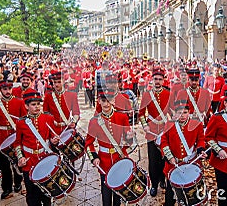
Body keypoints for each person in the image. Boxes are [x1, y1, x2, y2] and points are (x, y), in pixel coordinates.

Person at [85, 89, 134, 206]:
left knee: (118, 194)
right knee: (106, 195)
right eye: (103, 100)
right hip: (104, 162)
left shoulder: (122, 117)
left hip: (119, 159)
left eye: (109, 100)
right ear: (98, 101)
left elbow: (128, 143)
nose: (106, 104)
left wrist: (129, 137)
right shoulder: (94, 121)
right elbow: (88, 143)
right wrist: (94, 157)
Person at [14, 91, 59, 206]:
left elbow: (52, 136)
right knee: (32, 194)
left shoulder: (48, 118)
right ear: (26, 106)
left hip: (45, 160)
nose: (37, 107)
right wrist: (20, 157)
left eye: (38, 104)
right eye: (33, 104)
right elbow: (17, 143)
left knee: (46, 192)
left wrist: (54, 140)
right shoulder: (21, 123)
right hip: (29, 162)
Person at [160, 100, 206, 206]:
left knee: (192, 193)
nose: (182, 115)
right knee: (170, 194)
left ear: (189, 112)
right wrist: (169, 156)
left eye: (185, 112)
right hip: (173, 163)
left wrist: (200, 150)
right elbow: (164, 141)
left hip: (191, 162)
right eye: (179, 113)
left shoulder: (196, 124)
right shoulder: (169, 124)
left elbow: (201, 139)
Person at [0, 80, 26, 199]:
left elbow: (24, 120)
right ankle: (7, 187)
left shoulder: (19, 102)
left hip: (16, 136)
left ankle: (18, 183)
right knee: (4, 165)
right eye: (5, 89)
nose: (8, 91)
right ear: (0, 90)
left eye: (9, 89)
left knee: (17, 161)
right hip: (2, 137)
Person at [138, 69, 171, 197]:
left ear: (163, 80)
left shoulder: (168, 93)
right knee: (153, 159)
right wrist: (145, 126)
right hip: (151, 130)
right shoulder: (147, 94)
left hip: (164, 129)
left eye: (160, 79)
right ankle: (154, 184)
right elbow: (141, 113)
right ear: (152, 80)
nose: (157, 82)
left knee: (164, 157)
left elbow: (173, 112)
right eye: (155, 79)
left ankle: (163, 179)